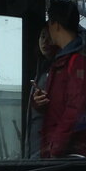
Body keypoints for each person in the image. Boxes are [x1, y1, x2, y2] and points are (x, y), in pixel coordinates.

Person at [32, 0, 86, 158]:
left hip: (70, 154)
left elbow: (76, 108)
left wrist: (55, 147)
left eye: (49, 24)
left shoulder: (80, 60)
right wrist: (39, 102)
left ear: (55, 24)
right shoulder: (60, 59)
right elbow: (60, 105)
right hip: (62, 150)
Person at [25, 26, 56, 158]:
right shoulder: (42, 67)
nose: (45, 42)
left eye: (50, 38)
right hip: (36, 144)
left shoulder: (61, 68)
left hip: (49, 148)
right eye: (43, 37)